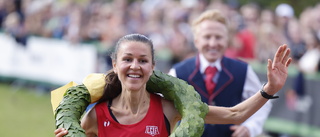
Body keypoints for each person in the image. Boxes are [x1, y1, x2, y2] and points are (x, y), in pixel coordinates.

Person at [54, 33, 291, 137]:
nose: (135, 66)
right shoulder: (96, 116)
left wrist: (269, 89)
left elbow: (234, 114)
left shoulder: (168, 108)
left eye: (143, 61)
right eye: (127, 59)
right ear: (115, 65)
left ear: (153, 67)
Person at [168, 9, 272, 137]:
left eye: (218, 37)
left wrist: (250, 127)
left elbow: (263, 102)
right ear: (196, 41)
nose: (213, 43)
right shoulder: (178, 72)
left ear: (226, 40)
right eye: (207, 37)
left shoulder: (242, 70)